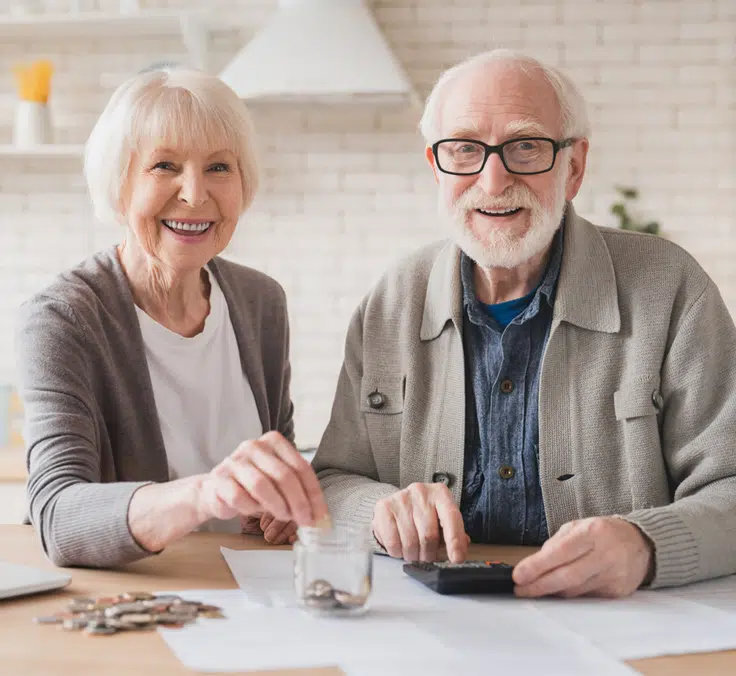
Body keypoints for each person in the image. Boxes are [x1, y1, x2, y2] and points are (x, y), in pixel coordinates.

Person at [312, 49, 736, 597]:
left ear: (574, 166)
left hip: (618, 625)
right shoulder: (390, 300)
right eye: (464, 149)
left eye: (526, 146)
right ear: (436, 165)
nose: (492, 181)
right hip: (431, 626)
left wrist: (644, 543)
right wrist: (378, 511)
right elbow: (331, 480)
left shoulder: (671, 287)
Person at [16, 67, 326, 568]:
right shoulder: (63, 318)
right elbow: (57, 514)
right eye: (164, 165)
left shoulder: (261, 302)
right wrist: (206, 495)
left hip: (251, 593)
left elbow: (278, 456)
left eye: (220, 168)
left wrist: (278, 505)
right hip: (138, 597)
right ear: (119, 184)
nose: (195, 194)